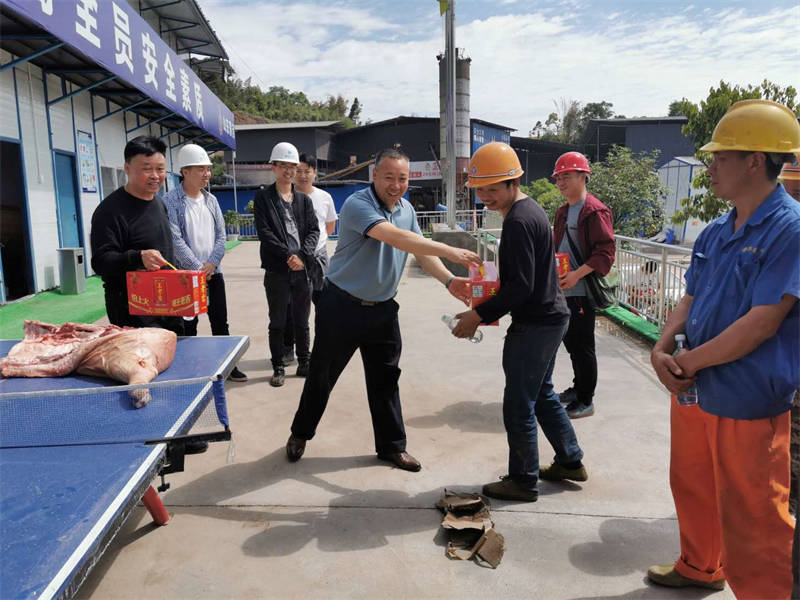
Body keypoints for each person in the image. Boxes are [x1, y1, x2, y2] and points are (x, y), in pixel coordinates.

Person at [647, 99, 799, 598]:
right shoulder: (716, 230)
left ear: (754, 161)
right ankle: (700, 565)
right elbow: (689, 298)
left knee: (754, 515)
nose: (709, 167)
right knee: (693, 484)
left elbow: (761, 323)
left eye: (720, 157)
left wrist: (684, 362)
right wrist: (661, 350)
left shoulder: (790, 229)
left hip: (747, 397)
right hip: (694, 389)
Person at [284, 148, 481, 472]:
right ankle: (300, 433)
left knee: (386, 379)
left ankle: (392, 447)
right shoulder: (358, 204)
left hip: (383, 309)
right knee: (322, 376)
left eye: (402, 179)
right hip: (341, 305)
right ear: (374, 175)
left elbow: (419, 250)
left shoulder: (406, 209)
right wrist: (449, 249)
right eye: (389, 177)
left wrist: (449, 280)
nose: (396, 185)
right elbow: (395, 238)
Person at [451, 142, 585, 501]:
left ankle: (523, 480)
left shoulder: (519, 221)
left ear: (514, 183)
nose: (485, 197)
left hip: (536, 324)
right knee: (541, 394)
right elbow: (525, 279)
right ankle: (570, 460)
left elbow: (521, 287)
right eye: (479, 189)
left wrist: (477, 315)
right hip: (551, 316)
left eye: (492, 189)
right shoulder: (528, 210)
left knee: (518, 403)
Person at [90, 135, 207, 453]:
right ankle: (153, 442)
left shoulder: (158, 203)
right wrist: (136, 257)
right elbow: (100, 262)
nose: (155, 176)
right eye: (147, 168)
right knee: (144, 376)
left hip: (167, 306)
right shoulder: (109, 211)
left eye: (160, 169)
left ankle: (177, 435)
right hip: (132, 311)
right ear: (127, 168)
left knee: (173, 373)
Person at [162, 143, 247, 382]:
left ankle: (228, 365)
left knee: (220, 321)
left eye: (208, 169)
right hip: (186, 276)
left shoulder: (211, 200)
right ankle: (190, 368)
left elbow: (221, 235)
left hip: (213, 272)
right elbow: (175, 239)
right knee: (188, 324)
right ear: (185, 171)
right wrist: (197, 268)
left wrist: (211, 263)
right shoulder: (170, 200)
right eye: (201, 169)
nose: (207, 174)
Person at [551, 151, 615, 419]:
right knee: (571, 344)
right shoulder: (563, 212)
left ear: (583, 176)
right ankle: (578, 388)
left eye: (566, 176)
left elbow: (605, 252)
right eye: (558, 178)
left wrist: (577, 275)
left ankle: (586, 400)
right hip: (565, 290)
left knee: (583, 346)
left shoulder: (594, 210)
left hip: (581, 291)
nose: (561, 182)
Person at [253, 142, 319, 387]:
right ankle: (278, 366)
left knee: (302, 319)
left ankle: (304, 362)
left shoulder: (303, 200)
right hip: (277, 270)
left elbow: (313, 230)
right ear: (273, 167)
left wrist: (302, 256)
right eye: (283, 166)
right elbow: (265, 232)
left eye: (292, 166)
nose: (288, 171)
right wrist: (288, 256)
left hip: (302, 269)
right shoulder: (264, 197)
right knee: (278, 321)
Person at [282, 153, 338, 366]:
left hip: (318, 258)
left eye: (308, 171)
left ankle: (320, 348)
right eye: (299, 170)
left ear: (315, 173)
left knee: (322, 304)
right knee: (290, 306)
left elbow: (329, 227)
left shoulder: (324, 197)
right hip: (293, 258)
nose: (303, 175)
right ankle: (288, 349)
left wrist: (314, 247)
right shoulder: (285, 196)